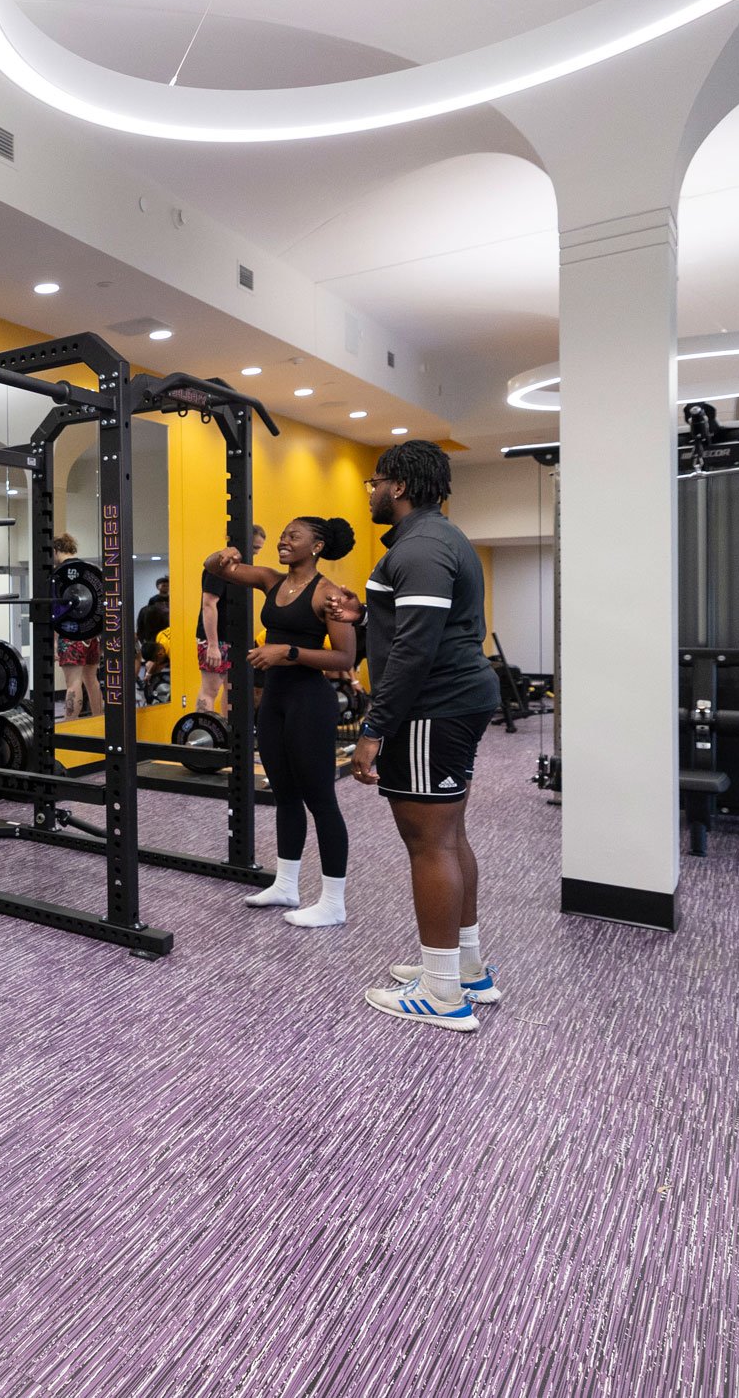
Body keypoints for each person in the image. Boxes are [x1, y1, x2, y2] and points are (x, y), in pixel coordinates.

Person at [345, 441, 502, 1033]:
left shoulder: (423, 548)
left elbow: (414, 649)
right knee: (449, 833)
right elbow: (408, 628)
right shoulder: (435, 540)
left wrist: (374, 728)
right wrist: (364, 616)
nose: (371, 493)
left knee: (428, 842)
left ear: (399, 487)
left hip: (433, 707)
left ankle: (441, 994)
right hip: (451, 700)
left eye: (374, 482)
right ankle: (465, 969)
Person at [204, 516, 360, 927]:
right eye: (283, 534)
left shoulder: (328, 594)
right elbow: (214, 568)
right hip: (274, 701)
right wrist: (223, 555)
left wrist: (286, 652)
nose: (283, 541)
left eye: (294, 536)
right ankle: (286, 884)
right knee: (284, 795)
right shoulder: (272, 581)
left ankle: (333, 902)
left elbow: (344, 658)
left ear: (317, 546)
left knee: (321, 801)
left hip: (310, 702)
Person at [195, 525, 263, 716]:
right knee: (211, 689)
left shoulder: (243, 569)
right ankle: (203, 738)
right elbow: (208, 605)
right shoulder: (219, 564)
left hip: (235, 638)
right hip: (215, 639)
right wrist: (213, 645)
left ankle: (228, 738)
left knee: (232, 689)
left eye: (258, 549)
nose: (255, 553)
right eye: (254, 547)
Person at [51, 533, 102, 717]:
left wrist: (55, 643)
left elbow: (56, 612)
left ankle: (70, 725)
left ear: (56, 550)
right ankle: (98, 721)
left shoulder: (58, 576)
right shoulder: (89, 570)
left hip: (70, 635)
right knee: (91, 680)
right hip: (92, 635)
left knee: (73, 683)